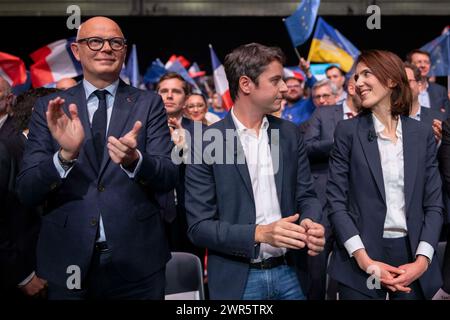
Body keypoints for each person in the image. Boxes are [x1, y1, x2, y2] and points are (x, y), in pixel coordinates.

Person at [16, 16, 178, 299]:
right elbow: (27, 190)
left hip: (138, 263)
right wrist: (65, 156)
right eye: (95, 41)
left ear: (124, 52)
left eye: (116, 42)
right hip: (67, 261)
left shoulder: (148, 103)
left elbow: (167, 175)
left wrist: (135, 160)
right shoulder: (50, 107)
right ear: (77, 51)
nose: (106, 48)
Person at [185, 43, 325, 300]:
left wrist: (310, 221)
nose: (284, 87)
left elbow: (307, 195)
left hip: (292, 273)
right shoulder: (206, 142)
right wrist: (259, 234)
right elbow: (199, 227)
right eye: (275, 80)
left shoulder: (288, 134)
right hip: (238, 280)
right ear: (246, 84)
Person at [327, 49, 443, 300]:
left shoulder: (421, 134)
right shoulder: (346, 131)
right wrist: (364, 260)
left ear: (392, 80)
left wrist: (422, 261)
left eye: (366, 74)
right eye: (356, 77)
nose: (358, 83)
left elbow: (434, 204)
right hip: (359, 260)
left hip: (412, 261)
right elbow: (336, 203)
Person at [303, 75, 360, 299]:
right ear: (349, 88)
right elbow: (307, 147)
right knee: (316, 269)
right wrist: (339, 141)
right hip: (325, 199)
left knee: (354, 266)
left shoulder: (370, 116)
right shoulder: (325, 113)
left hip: (358, 201)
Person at [406, 49, 449, 116]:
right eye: (419, 62)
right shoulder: (404, 88)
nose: (423, 65)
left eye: (426, 62)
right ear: (410, 64)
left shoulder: (440, 90)